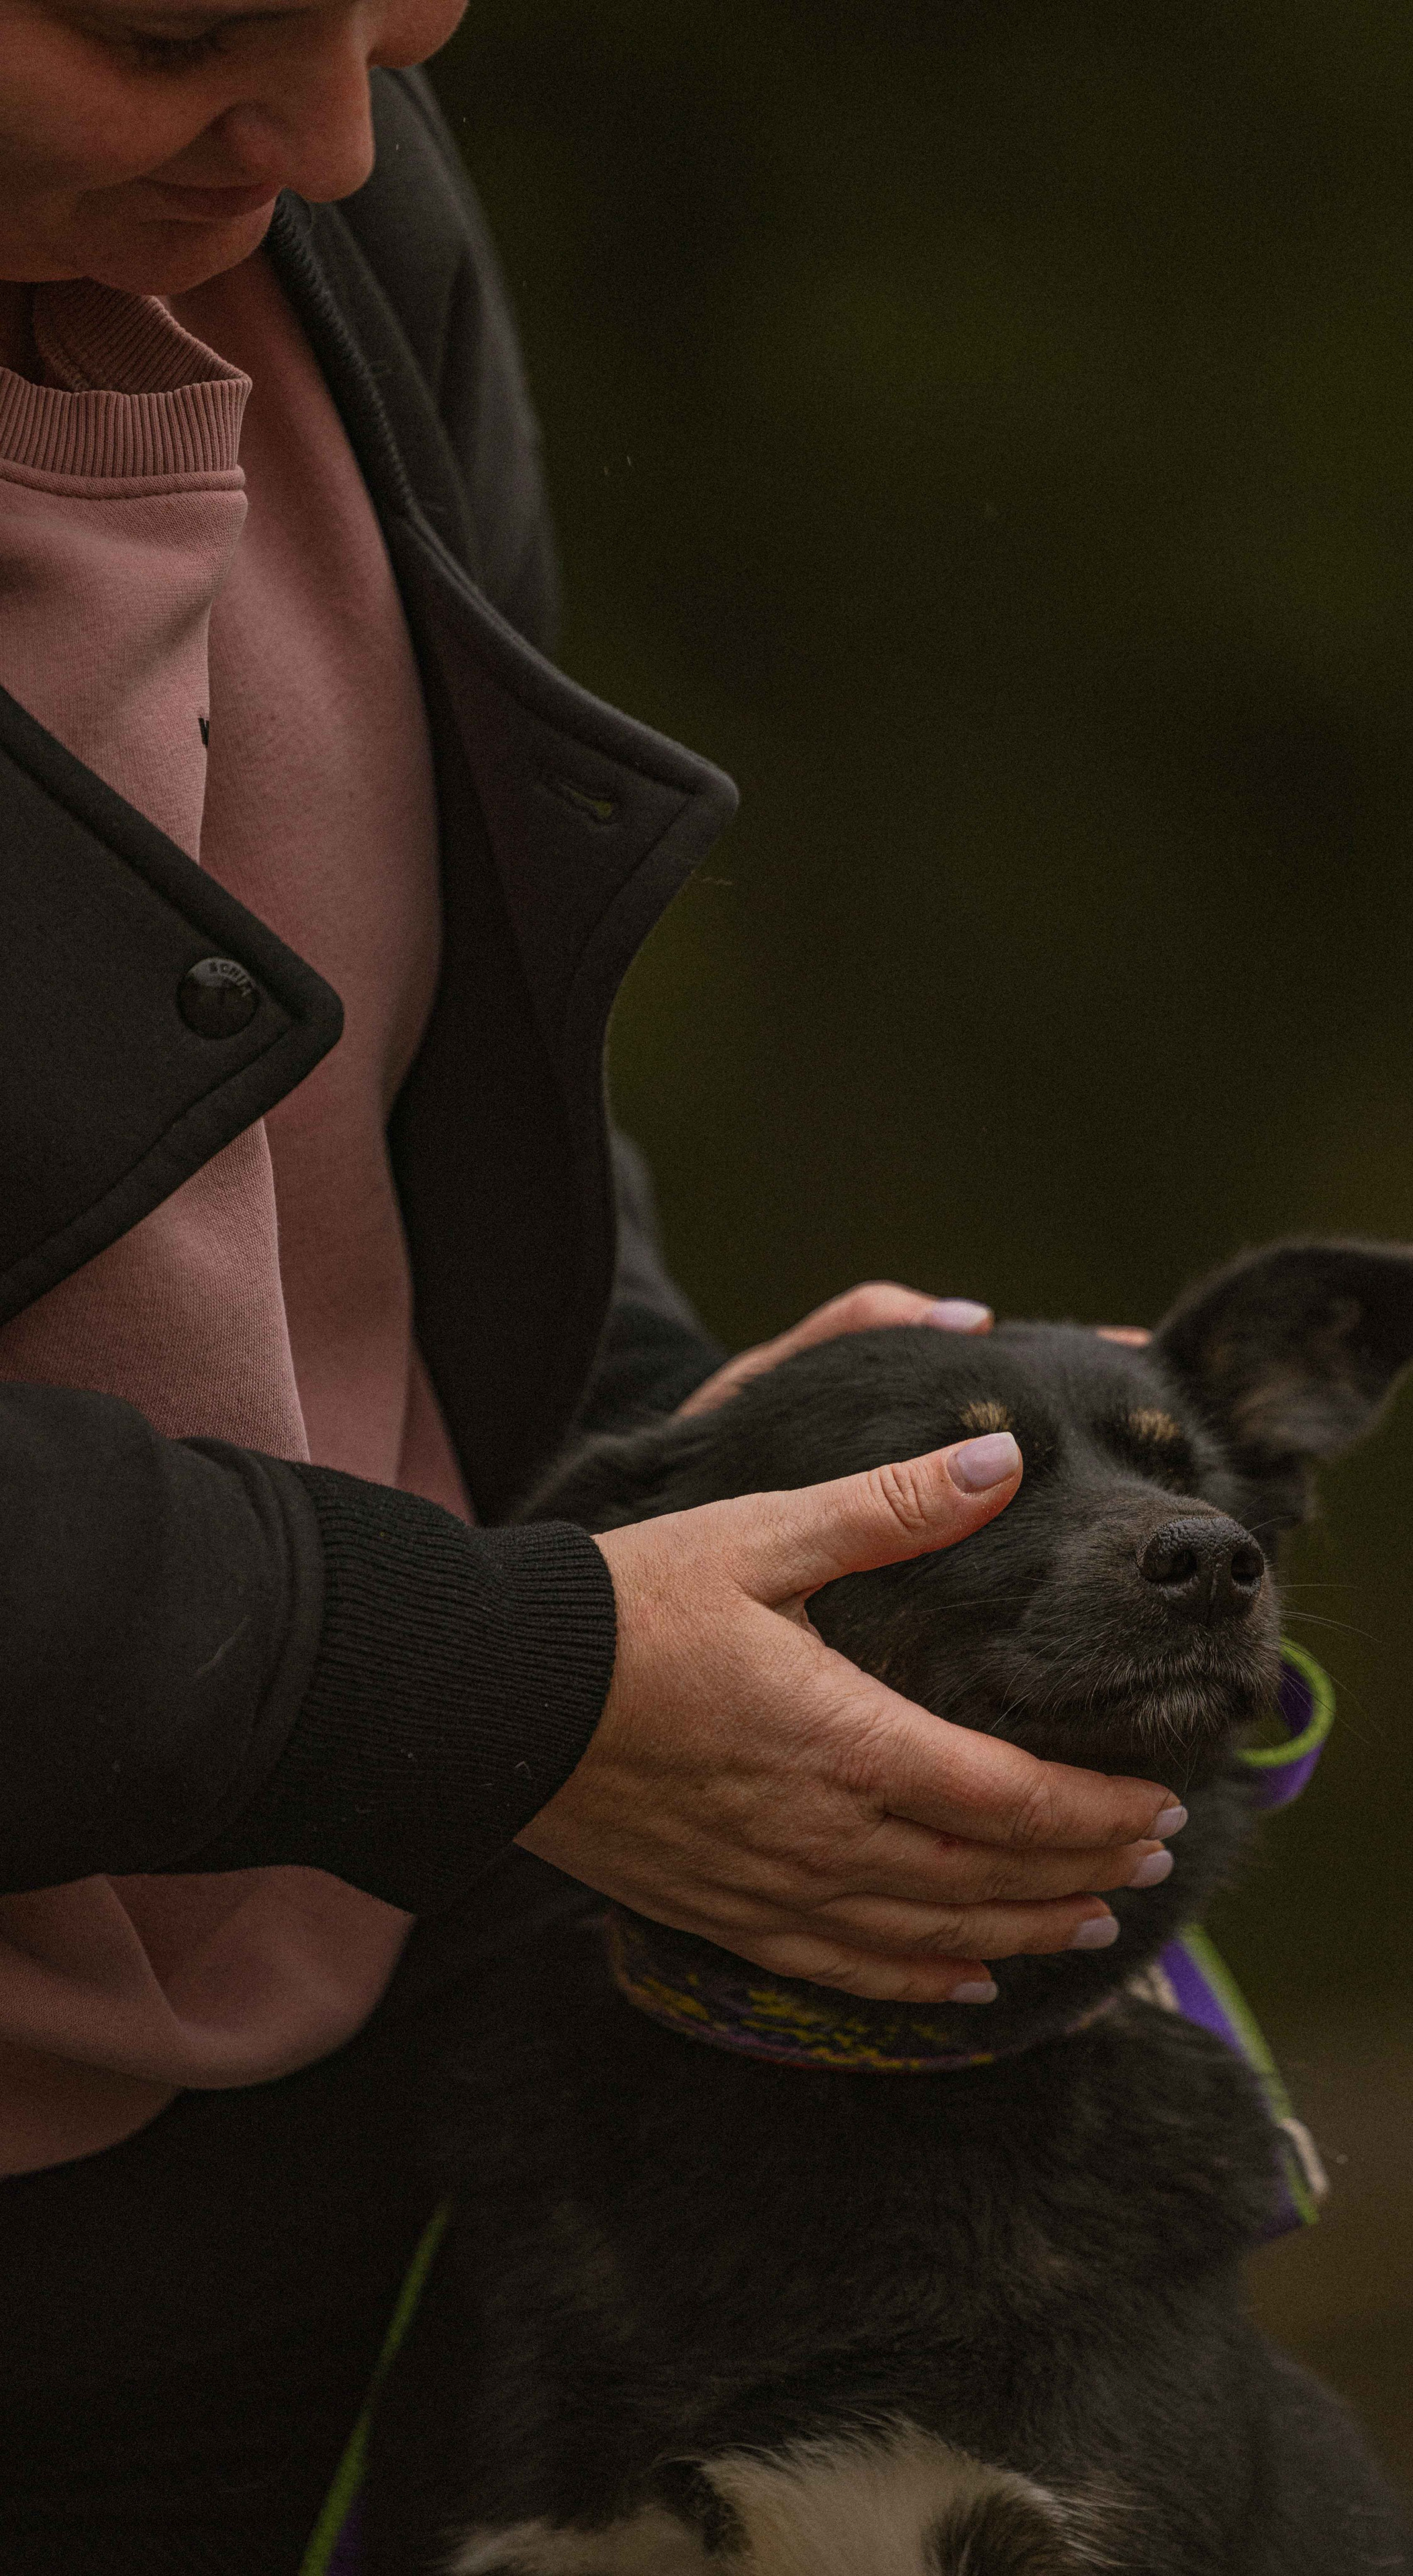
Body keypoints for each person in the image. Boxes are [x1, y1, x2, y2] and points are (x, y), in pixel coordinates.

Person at [0, 4, 1184, 2566]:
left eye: (402, 14)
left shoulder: (327, 221)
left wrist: (670, 1449)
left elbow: (434, 1077)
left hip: (339, 2170)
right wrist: (502, 1679)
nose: (335, 136)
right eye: (171, 30)